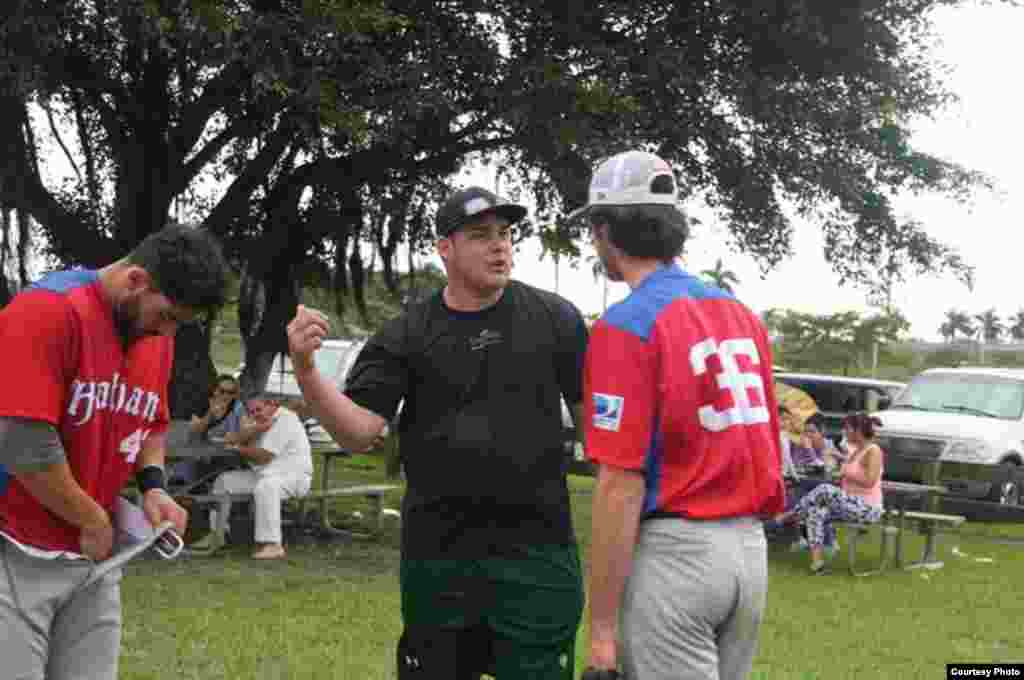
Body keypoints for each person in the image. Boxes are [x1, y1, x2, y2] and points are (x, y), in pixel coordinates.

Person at [287, 185, 589, 679]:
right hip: (440, 562)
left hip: (538, 557)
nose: (500, 246)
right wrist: (306, 372)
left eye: (506, 234)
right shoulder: (407, 332)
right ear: (444, 248)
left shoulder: (556, 319)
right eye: (480, 235)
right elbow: (360, 434)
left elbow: (596, 431)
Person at [575, 150, 786, 680]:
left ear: (604, 230)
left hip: (678, 556)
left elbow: (620, 485)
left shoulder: (625, 325)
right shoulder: (742, 315)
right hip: (748, 553)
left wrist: (600, 631)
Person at [0, 224, 229, 680]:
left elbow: (150, 425)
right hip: (16, 551)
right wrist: (90, 517)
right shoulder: (46, 312)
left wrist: (154, 487)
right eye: (166, 316)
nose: (168, 331)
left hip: (96, 561)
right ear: (136, 281)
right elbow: (21, 438)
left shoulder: (155, 339)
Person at [189, 393, 312, 559]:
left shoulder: (286, 420)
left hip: (293, 477)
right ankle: (218, 533)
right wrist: (252, 430)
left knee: (267, 487)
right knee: (224, 482)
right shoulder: (262, 421)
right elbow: (233, 439)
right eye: (252, 411)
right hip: (267, 474)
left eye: (258, 409)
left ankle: (272, 544)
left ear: (271, 405)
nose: (255, 414)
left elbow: (264, 456)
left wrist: (238, 448)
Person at [778, 412, 885, 574]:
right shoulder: (855, 451)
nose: (844, 432)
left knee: (825, 489)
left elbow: (870, 481)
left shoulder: (873, 450)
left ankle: (791, 515)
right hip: (849, 504)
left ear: (858, 430)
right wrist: (839, 470)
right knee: (815, 511)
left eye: (847, 429)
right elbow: (849, 474)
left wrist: (845, 472)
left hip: (868, 508)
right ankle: (817, 564)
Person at [167, 374, 246, 487]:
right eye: (222, 391)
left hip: (224, 455)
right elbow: (195, 432)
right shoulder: (201, 403)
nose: (226, 395)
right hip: (197, 454)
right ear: (214, 390)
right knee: (187, 469)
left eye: (231, 392)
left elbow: (244, 430)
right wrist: (209, 414)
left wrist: (236, 435)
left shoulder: (237, 407)